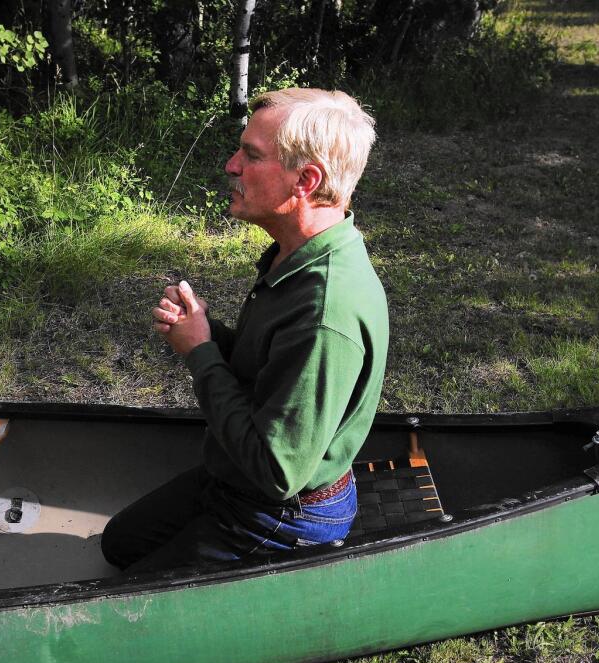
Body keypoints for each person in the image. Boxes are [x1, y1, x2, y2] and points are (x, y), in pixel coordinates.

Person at [100, 87, 388, 573]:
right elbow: (269, 367)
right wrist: (206, 332)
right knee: (119, 545)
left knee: (121, 611)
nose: (232, 165)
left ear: (306, 179)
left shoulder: (325, 312)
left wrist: (201, 355)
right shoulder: (297, 255)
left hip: (282, 514)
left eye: (251, 155)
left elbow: (278, 471)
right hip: (236, 480)